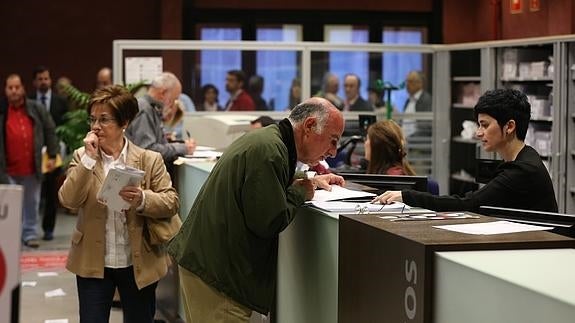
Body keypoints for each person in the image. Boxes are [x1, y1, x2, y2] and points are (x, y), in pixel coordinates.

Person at [167, 97, 345, 322]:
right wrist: (301, 192)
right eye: (333, 140)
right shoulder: (270, 151)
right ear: (309, 126)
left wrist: (308, 180)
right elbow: (268, 221)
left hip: (211, 268)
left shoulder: (269, 141)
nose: (333, 151)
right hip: (220, 278)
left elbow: (266, 181)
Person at [58, 85, 179, 323]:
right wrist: (88, 162)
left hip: (138, 262)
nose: (95, 126)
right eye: (92, 119)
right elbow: (68, 199)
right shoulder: (81, 157)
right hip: (93, 262)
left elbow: (171, 201)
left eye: (104, 120)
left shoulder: (148, 159)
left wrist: (142, 198)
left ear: (124, 122)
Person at [373, 88, 558, 213]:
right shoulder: (522, 159)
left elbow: (469, 204)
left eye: (484, 125)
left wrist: (407, 196)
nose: (478, 133)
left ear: (509, 127)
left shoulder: (523, 170)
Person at [1, 74, 59, 247]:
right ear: (5, 90)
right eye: (10, 88)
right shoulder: (2, 111)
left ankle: (29, 234)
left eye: (17, 87)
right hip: (7, 169)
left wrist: (53, 154)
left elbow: (50, 130)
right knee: (9, 205)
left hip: (32, 166)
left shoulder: (36, 108)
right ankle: (10, 236)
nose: (14, 91)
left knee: (32, 203)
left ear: (23, 88)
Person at [29, 66, 70, 241]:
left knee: (51, 191)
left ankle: (48, 228)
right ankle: (28, 229)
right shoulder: (28, 101)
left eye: (46, 78)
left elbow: (67, 126)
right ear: (34, 82)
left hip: (54, 152)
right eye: (40, 79)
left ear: (50, 80)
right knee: (32, 192)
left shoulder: (60, 102)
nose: (43, 82)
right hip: (33, 153)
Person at [125, 72, 196, 164]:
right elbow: (147, 150)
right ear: (162, 93)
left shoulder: (151, 108)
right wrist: (183, 148)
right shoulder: (145, 110)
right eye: (174, 99)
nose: (173, 104)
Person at [402, 70, 432, 137]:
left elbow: (427, 125)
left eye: (410, 81)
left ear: (420, 83)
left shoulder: (426, 100)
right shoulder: (408, 101)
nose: (407, 84)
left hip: (417, 143)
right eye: (407, 81)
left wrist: (410, 138)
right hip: (406, 142)